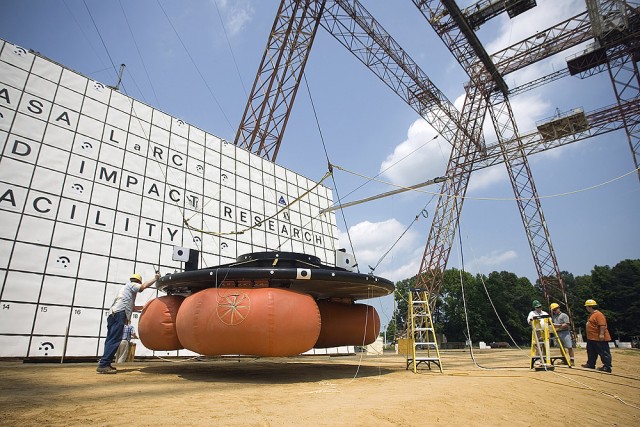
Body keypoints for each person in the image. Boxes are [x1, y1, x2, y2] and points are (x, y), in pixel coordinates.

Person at [97, 272, 160, 374]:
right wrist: (155, 278)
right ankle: (104, 365)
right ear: (138, 281)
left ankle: (105, 363)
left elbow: (133, 308)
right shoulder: (132, 285)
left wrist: (145, 307)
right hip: (119, 314)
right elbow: (143, 287)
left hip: (113, 313)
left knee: (110, 338)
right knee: (115, 339)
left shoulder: (125, 291)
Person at [581, 299, 612, 373]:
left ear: (590, 307)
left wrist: (601, 334)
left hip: (598, 338)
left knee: (603, 352)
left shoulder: (599, 314)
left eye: (586, 307)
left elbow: (602, 325)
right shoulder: (592, 315)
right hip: (591, 338)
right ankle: (591, 364)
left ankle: (607, 366)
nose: (586, 308)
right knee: (591, 352)